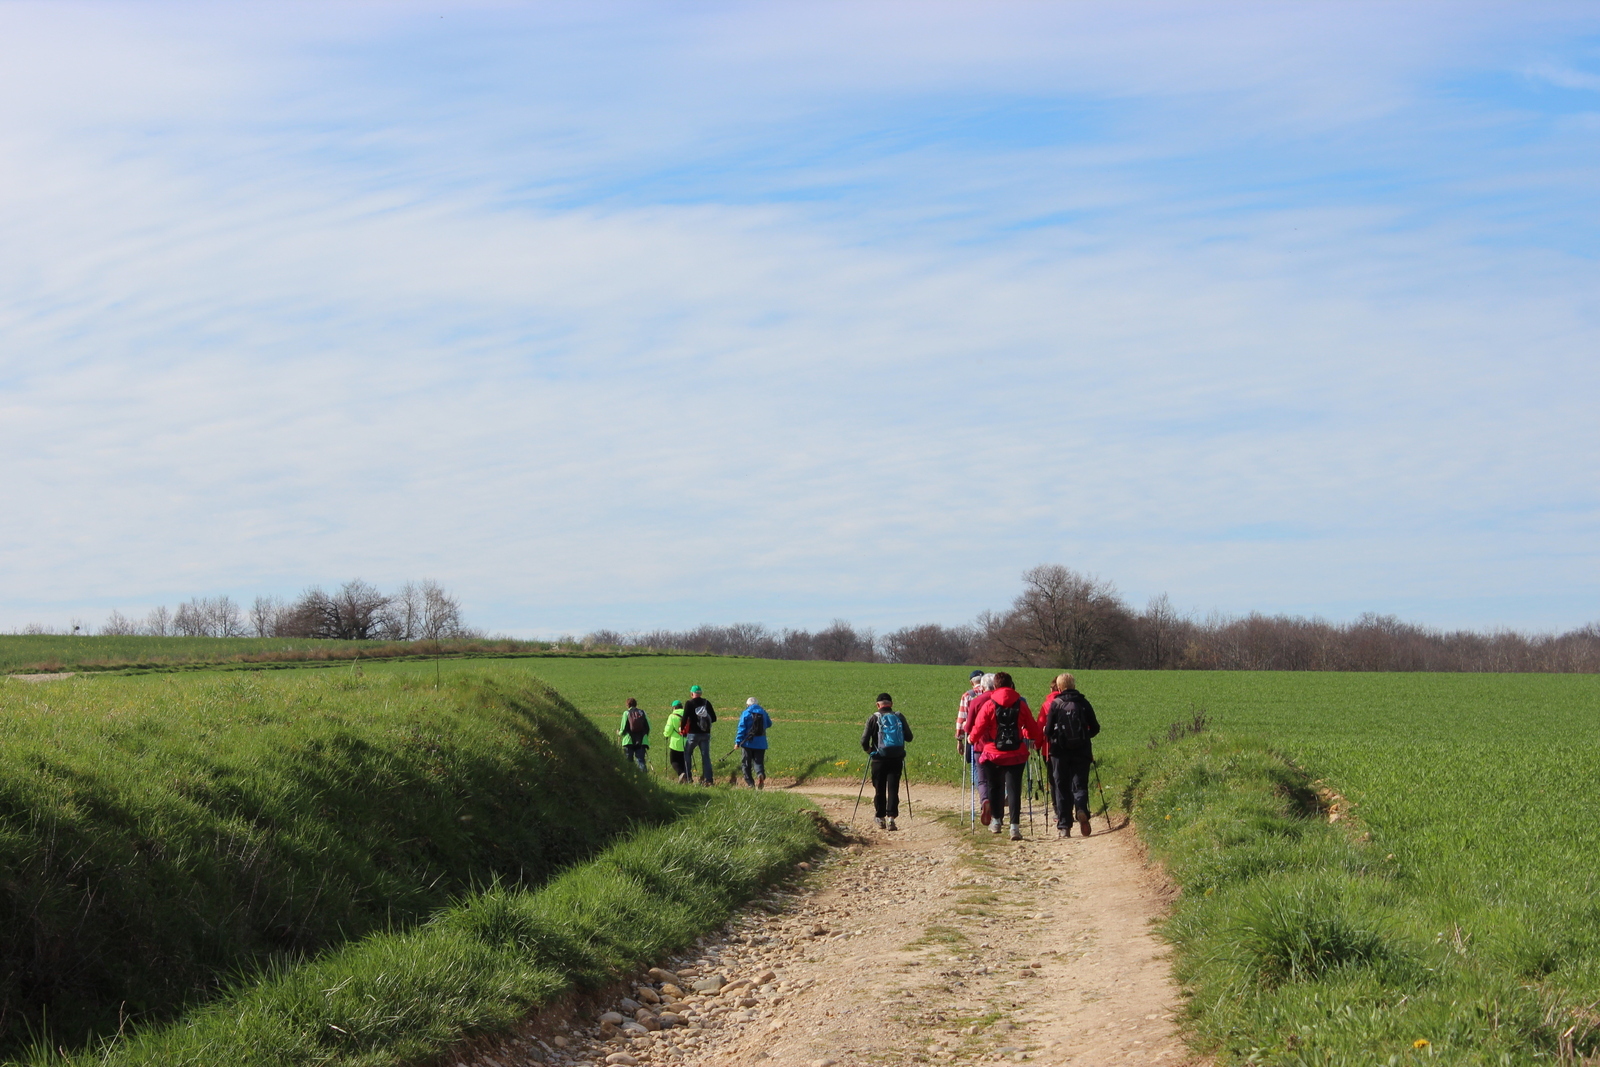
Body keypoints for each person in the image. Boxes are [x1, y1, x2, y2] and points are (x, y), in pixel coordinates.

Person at [967, 671, 1041, 840]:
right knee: (1014, 789)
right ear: (1011, 684)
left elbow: (978, 727)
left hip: (993, 753)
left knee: (995, 787)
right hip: (1016, 753)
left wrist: (971, 739)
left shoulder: (990, 704)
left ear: (996, 686)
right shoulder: (1021, 704)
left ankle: (996, 821)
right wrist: (1029, 736)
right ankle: (1014, 827)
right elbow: (1033, 729)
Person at [1040, 672, 1101, 837]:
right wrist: (1084, 738)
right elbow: (1095, 727)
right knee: (1079, 784)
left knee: (1061, 787)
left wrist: (1051, 736)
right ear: (1073, 685)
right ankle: (1081, 809)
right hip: (1081, 751)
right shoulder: (1083, 702)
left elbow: (1048, 729)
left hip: (1059, 753)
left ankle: (1064, 826)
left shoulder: (1055, 704)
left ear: (1059, 687)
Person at [861, 692, 914, 831]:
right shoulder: (899, 717)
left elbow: (864, 741)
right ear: (891, 704)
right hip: (896, 758)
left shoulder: (873, 718)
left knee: (879, 788)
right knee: (893, 788)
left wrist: (870, 751)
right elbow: (909, 737)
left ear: (878, 705)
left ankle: (880, 817)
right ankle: (891, 818)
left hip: (878, 759)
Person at [965, 673, 999, 827]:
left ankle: (985, 800)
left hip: (980, 746)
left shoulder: (976, 701)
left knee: (982, 778)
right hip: (1000, 746)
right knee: (998, 780)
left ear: (983, 687)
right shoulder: (1002, 700)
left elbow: (968, 726)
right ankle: (997, 812)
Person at [680, 684, 717, 786]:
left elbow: (684, 718)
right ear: (700, 694)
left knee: (687, 753)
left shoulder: (689, 703)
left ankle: (688, 777)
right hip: (705, 734)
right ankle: (709, 780)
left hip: (693, 734)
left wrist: (682, 728)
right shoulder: (706, 702)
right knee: (705, 756)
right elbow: (714, 718)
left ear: (692, 694)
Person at [734, 697, 773, 789]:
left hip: (747, 743)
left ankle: (750, 784)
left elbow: (741, 728)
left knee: (746, 764)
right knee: (758, 762)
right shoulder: (763, 712)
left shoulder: (746, 713)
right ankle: (760, 774)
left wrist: (737, 742)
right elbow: (769, 724)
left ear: (747, 705)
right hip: (761, 743)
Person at [618, 697, 650, 771]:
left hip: (628, 740)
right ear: (636, 704)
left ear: (627, 705)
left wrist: (619, 733)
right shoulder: (643, 712)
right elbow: (648, 727)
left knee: (628, 761)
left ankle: (631, 776)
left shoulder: (626, 713)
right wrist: (645, 736)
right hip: (642, 740)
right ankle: (644, 778)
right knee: (641, 760)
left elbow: (623, 729)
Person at [663, 700, 689, 782]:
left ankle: (681, 774)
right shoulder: (687, 714)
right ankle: (687, 778)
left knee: (673, 760)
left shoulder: (672, 716)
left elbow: (668, 729)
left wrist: (665, 734)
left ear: (674, 707)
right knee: (683, 761)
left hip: (675, 742)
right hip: (687, 741)